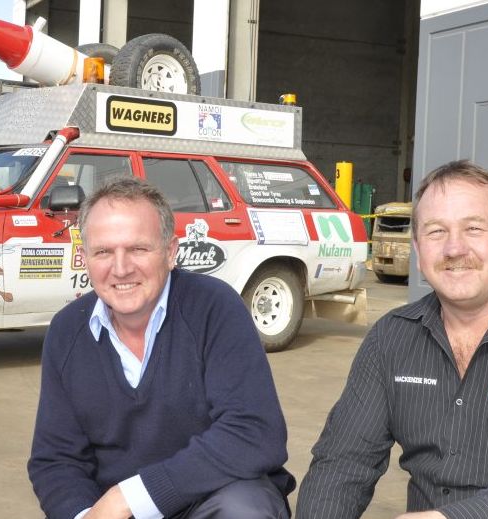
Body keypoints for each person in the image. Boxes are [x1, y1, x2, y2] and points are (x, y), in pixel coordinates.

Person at [297, 160, 488, 518]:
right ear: (418, 253)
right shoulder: (392, 338)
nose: (454, 248)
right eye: (436, 232)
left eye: (474, 228)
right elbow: (343, 463)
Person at [28, 177, 295, 519]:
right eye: (104, 252)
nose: (121, 268)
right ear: (84, 258)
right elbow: (56, 459)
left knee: (245, 509)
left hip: (210, 501)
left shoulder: (214, 309)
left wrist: (130, 496)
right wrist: (83, 514)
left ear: (171, 252)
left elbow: (255, 431)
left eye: (138, 249)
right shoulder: (67, 333)